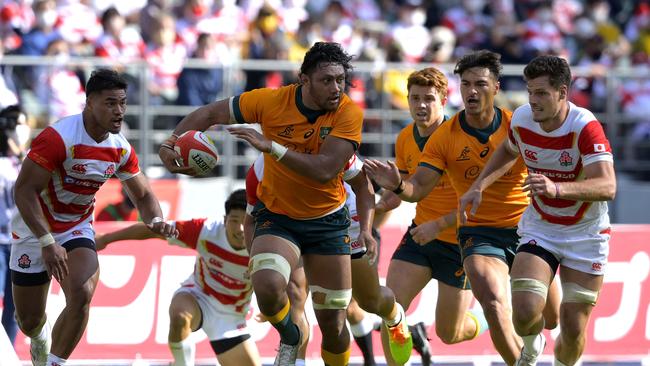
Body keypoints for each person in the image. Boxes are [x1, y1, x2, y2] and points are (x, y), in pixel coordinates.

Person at [159, 41, 412, 366]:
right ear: (303, 80)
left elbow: (328, 172)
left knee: (350, 313)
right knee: (268, 286)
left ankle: (394, 316)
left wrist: (366, 229)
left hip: (333, 220)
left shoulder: (347, 113)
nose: (336, 88)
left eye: (341, 80)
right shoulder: (269, 108)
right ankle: (290, 338)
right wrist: (170, 143)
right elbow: (209, 113)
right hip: (280, 219)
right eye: (326, 80)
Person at [365, 50, 559, 366]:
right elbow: (413, 189)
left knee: (540, 320)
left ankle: (499, 319)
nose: (471, 91)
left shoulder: (518, 125)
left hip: (521, 231)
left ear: (495, 87)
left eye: (480, 84)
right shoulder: (428, 139)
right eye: (465, 83)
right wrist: (385, 197)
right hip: (461, 236)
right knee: (395, 306)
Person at [10, 69, 176, 366]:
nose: (119, 111)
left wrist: (155, 221)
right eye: (110, 103)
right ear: (89, 103)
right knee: (29, 320)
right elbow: (23, 192)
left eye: (123, 103)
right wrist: (47, 241)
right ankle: (39, 336)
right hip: (35, 229)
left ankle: (54, 362)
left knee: (83, 292)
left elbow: (144, 196)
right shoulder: (58, 138)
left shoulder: (120, 148)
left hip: (76, 227)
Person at [459, 55, 616, 366]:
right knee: (526, 312)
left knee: (572, 329)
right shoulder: (521, 119)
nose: (533, 100)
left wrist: (556, 188)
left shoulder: (584, 127)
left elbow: (607, 186)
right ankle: (533, 344)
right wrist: (479, 185)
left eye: (542, 93)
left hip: (585, 234)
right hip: (540, 226)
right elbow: (507, 149)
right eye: (530, 92)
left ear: (562, 93)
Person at [374, 67, 489, 366]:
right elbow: (403, 188)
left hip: (459, 242)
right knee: (391, 306)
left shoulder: (463, 141)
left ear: (444, 100)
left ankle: (497, 315)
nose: (421, 105)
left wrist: (439, 224)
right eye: (415, 98)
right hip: (421, 235)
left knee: (451, 333)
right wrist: (376, 206)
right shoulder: (404, 138)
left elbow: (480, 202)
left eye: (428, 98)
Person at [245, 152, 400, 366]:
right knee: (295, 293)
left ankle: (394, 316)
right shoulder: (264, 163)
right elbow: (250, 218)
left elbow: (374, 194)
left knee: (363, 304)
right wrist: (254, 260)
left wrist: (368, 228)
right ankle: (292, 350)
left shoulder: (337, 148)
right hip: (293, 226)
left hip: (346, 227)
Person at [95, 189, 262, 366]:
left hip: (230, 318)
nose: (240, 229)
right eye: (234, 221)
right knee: (181, 315)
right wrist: (106, 239)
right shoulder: (205, 231)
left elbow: (283, 282)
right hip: (199, 297)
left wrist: (272, 310)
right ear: (224, 219)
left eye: (245, 222)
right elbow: (154, 230)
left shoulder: (262, 247)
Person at [0, 105, 25, 347]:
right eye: (19, 124)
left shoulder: (26, 161)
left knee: (16, 304)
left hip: (18, 242)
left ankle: (7, 351)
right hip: (0, 242)